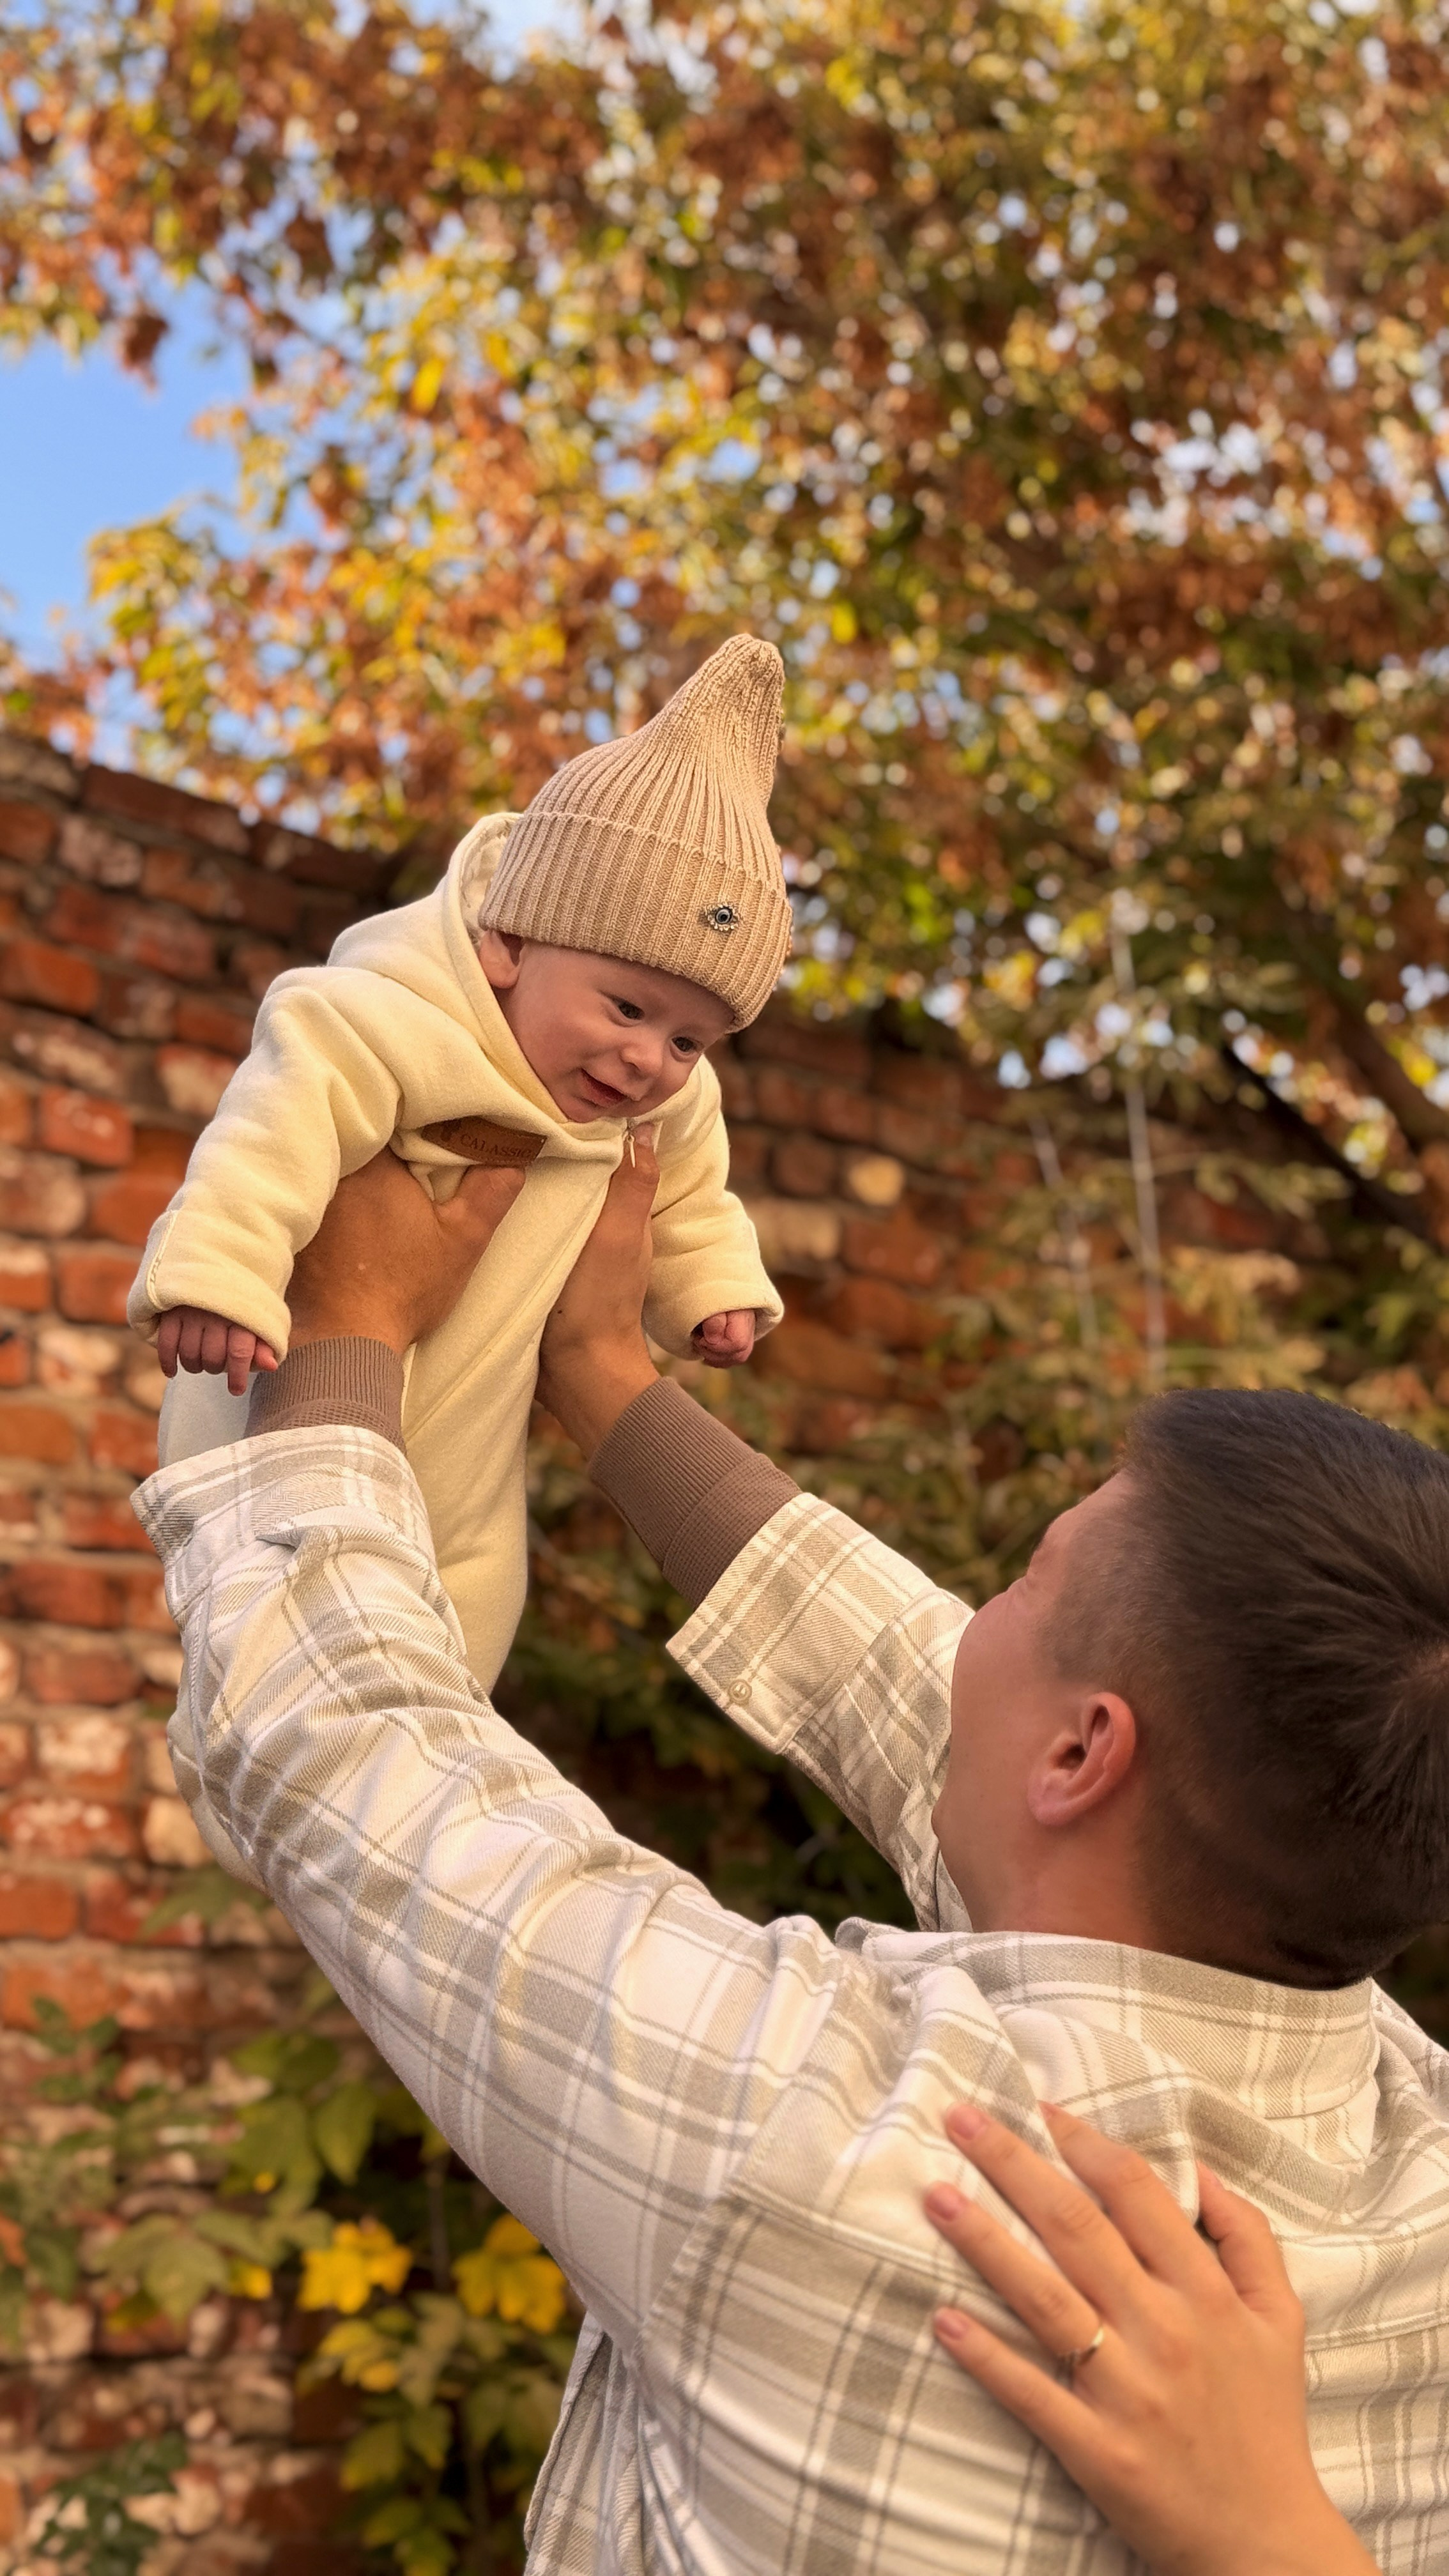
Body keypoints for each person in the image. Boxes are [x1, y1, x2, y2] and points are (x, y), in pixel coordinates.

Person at [135, 1138, 1449, 2573]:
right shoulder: (1420, 2159)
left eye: (1026, 1575)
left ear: (1084, 1756)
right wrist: (603, 1380)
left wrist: (343, 1324)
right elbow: (931, 1699)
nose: (972, 1628)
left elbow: (347, 1747)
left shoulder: (819, 2139)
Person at [126, 635, 787, 1713]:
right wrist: (219, 1274)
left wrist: (710, 1288)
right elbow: (272, 1129)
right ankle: (279, 1755)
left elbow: (691, 1194)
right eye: (627, 1008)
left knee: (471, 1605)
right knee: (270, 1612)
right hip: (284, 1385)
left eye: (689, 1040)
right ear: (509, 944)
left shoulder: (666, 1104)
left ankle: (417, 1771)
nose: (647, 1062)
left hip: (471, 1453)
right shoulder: (385, 1018)